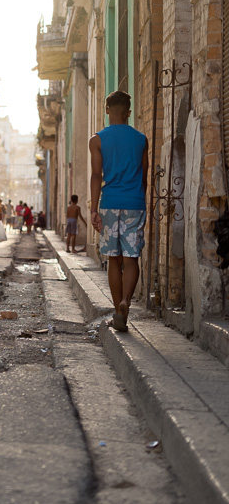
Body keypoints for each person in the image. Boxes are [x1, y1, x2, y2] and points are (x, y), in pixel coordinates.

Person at [89, 90, 148, 333]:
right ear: (129, 113)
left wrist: (93, 209)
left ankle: (117, 310)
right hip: (135, 202)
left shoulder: (97, 140)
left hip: (110, 202)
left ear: (106, 110)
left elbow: (96, 175)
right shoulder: (141, 139)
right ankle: (127, 301)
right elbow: (144, 178)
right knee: (131, 257)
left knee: (114, 257)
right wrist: (141, 201)